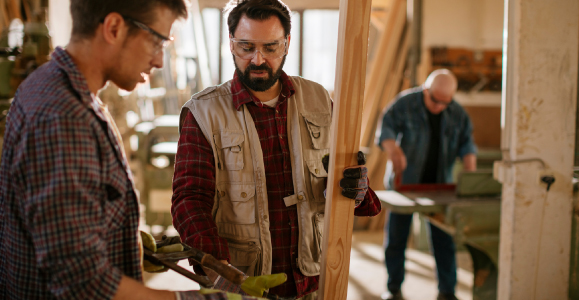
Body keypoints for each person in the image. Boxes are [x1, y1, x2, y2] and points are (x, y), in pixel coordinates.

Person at [0, 1, 258, 299]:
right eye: (157, 41)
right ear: (113, 28)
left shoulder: (51, 85)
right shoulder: (64, 118)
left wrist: (120, 240)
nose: (160, 60)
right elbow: (81, 284)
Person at [170, 0, 382, 299]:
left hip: (313, 280)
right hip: (243, 283)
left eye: (270, 47)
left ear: (287, 44)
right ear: (230, 44)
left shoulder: (319, 100)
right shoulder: (204, 112)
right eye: (246, 47)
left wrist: (357, 190)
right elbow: (190, 199)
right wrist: (220, 271)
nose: (258, 60)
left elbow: (346, 184)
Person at [377, 69, 477, 300]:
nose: (439, 106)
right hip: (405, 186)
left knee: (444, 241)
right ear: (426, 90)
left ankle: (447, 291)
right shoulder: (405, 103)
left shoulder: (457, 112)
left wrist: (469, 170)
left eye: (445, 102)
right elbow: (386, 127)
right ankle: (393, 289)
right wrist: (393, 149)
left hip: (439, 187)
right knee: (396, 238)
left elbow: (467, 142)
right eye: (434, 100)